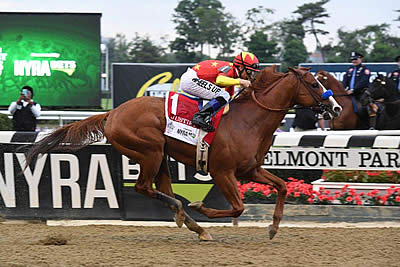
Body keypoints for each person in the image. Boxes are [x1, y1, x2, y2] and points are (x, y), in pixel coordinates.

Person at [179, 52, 259, 132]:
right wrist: (240, 81)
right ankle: (199, 117)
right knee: (223, 95)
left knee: (224, 96)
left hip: (192, 79)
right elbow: (219, 80)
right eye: (249, 72)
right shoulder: (230, 68)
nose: (250, 75)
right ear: (241, 67)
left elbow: (230, 99)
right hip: (191, 80)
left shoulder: (233, 75)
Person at [341, 52, 375, 129]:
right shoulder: (350, 70)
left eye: (356, 59)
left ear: (360, 59)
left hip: (361, 93)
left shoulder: (365, 70)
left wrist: (353, 90)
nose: (354, 61)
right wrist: (343, 90)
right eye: (353, 59)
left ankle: (369, 125)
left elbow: (363, 82)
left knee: (366, 108)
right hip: (349, 94)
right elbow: (345, 81)